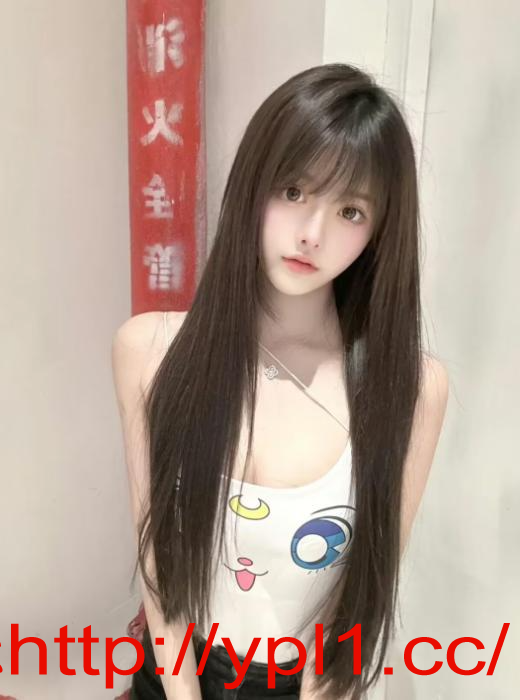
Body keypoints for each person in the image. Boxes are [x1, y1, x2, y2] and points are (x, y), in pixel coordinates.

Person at [111, 62, 449, 700]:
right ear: (254, 183)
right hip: (171, 678)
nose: (312, 234)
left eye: (349, 210)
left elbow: (358, 605)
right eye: (294, 191)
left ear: (380, 231)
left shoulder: (409, 389)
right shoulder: (150, 352)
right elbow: (161, 572)